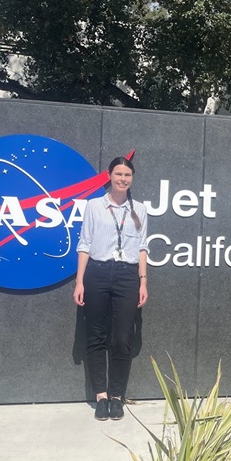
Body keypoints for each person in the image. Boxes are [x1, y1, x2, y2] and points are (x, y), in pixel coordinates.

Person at [74, 157, 149, 421]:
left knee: (121, 338)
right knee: (95, 336)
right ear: (109, 176)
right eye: (118, 174)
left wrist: (143, 281)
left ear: (132, 178)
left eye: (127, 175)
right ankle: (101, 396)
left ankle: (117, 396)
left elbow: (142, 247)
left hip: (128, 276)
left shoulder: (139, 209)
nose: (123, 179)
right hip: (97, 272)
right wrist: (80, 281)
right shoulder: (94, 206)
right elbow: (84, 243)